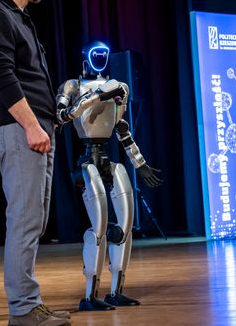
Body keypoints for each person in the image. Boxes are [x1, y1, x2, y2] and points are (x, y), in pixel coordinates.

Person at [0, 0, 71, 326]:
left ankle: (29, 303)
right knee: (25, 221)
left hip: (34, 128)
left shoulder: (19, 18)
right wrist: (31, 125)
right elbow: (1, 78)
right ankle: (24, 309)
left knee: (34, 221)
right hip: (17, 130)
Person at [56, 41, 163, 311]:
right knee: (99, 228)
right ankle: (89, 296)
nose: (101, 57)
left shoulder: (118, 87)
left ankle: (116, 291)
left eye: (104, 54)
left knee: (125, 225)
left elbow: (121, 129)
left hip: (107, 159)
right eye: (96, 54)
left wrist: (140, 164)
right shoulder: (73, 86)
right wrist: (95, 97)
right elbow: (61, 116)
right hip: (87, 161)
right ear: (86, 58)